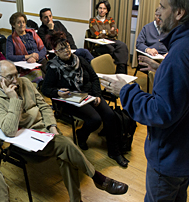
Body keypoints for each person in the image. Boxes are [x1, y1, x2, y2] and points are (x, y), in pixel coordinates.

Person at [101, 0, 189, 202]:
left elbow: (159, 113)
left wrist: (125, 91)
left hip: (171, 157)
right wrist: (163, 69)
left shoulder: (179, 55)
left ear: (179, 13)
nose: (157, 12)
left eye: (162, 6)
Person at [0, 60, 128, 202]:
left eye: (16, 74)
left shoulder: (25, 82)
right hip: (24, 143)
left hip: (45, 132)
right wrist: (14, 100)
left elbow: (44, 106)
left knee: (65, 152)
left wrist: (52, 127)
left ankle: (77, 199)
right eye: (10, 77)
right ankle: (98, 178)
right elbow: (10, 131)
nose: (15, 80)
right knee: (65, 145)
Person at [42, 31, 129, 167]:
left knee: (110, 115)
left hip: (90, 95)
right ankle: (81, 135)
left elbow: (94, 78)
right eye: (61, 48)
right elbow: (45, 89)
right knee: (95, 119)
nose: (66, 50)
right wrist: (57, 92)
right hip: (71, 99)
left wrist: (97, 95)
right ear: (56, 52)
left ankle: (114, 151)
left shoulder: (80, 60)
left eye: (67, 46)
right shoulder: (53, 67)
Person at [89, 0, 128, 74]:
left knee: (123, 46)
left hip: (112, 41)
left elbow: (115, 32)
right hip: (100, 43)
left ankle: (120, 72)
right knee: (112, 49)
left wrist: (103, 31)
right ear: (97, 9)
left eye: (104, 9)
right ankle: (120, 71)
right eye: (100, 8)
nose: (102, 10)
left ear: (107, 10)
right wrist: (109, 31)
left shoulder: (110, 19)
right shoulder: (93, 20)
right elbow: (96, 34)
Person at [6, 12, 46, 83]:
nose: (22, 24)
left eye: (23, 22)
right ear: (13, 25)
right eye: (19, 22)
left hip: (39, 60)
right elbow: (10, 56)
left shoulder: (32, 33)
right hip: (25, 65)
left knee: (52, 71)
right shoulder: (11, 39)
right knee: (41, 77)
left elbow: (43, 49)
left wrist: (36, 57)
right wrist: (28, 57)